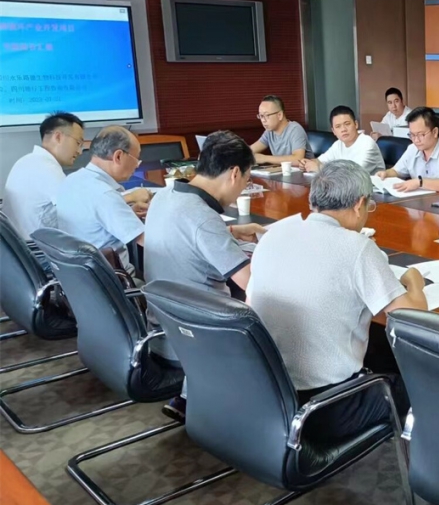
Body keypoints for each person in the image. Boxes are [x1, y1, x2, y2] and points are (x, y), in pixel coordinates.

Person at [247, 160, 427, 442]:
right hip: (325, 408)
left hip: (267, 396)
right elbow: (413, 319)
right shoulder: (357, 248)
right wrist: (416, 282)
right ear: (359, 204)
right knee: (423, 388)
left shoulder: (273, 235)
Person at [144, 130, 266, 420]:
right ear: (234, 174)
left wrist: (229, 232)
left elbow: (186, 236)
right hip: (198, 340)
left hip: (163, 324)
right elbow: (252, 283)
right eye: (247, 179)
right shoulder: (202, 217)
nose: (243, 187)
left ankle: (192, 395)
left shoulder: (165, 195)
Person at [55, 126, 148, 278]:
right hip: (117, 281)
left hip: (83, 278)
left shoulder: (72, 180)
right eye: (137, 159)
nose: (138, 165)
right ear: (118, 156)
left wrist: (127, 214)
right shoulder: (105, 194)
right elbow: (148, 242)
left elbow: (93, 221)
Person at [3, 112, 85, 238]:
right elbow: (80, 213)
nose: (79, 151)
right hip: (35, 247)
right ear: (58, 137)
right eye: (78, 143)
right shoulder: (47, 168)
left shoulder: (27, 161)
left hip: (19, 244)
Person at [376, 107, 439, 194]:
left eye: (421, 134)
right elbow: (396, 171)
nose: (416, 140)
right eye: (412, 135)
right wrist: (386, 173)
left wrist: (420, 182)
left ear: (435, 132)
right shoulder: (412, 149)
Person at [300, 105, 385, 174]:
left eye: (347, 124)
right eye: (338, 126)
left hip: (372, 189)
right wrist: (307, 163)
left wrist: (320, 168)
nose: (343, 129)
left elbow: (354, 174)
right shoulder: (338, 144)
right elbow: (319, 161)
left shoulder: (367, 143)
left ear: (356, 124)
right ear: (333, 131)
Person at [249, 95, 313, 164]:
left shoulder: (295, 129)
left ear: (279, 115)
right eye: (261, 116)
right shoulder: (269, 132)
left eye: (267, 115)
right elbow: (249, 151)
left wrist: (264, 158)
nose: (263, 120)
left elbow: (298, 159)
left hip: (306, 170)